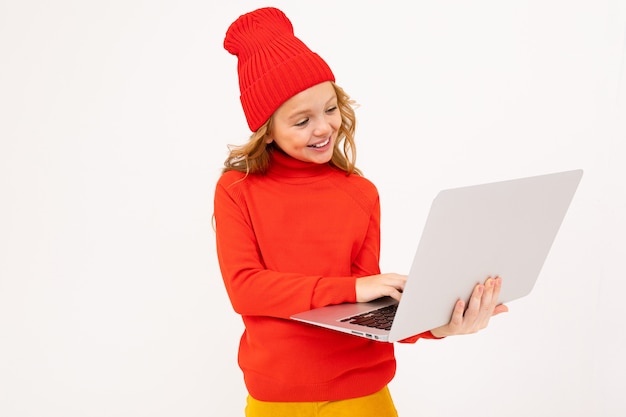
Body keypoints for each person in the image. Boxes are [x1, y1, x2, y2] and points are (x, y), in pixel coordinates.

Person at [214, 7, 508, 416]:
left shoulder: (360, 192)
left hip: (363, 394)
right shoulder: (237, 189)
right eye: (302, 120)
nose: (323, 128)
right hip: (275, 398)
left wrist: (438, 325)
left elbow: (366, 307)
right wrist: (352, 288)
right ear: (268, 128)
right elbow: (245, 288)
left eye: (330, 109)